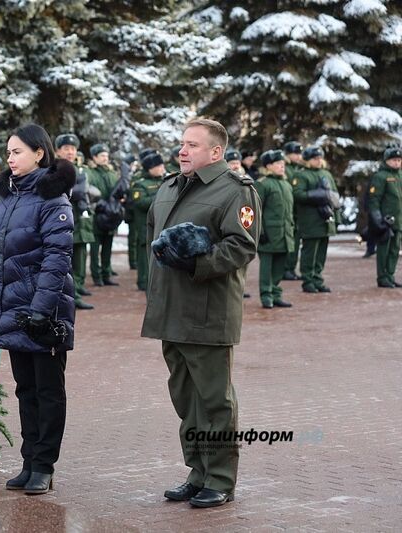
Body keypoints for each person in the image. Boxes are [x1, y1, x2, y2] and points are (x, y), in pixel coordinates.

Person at [141, 118, 260, 508]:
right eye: (182, 143)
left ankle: (220, 479)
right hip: (170, 311)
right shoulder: (168, 188)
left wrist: (196, 262)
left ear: (216, 151)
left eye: (193, 144)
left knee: (214, 402)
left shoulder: (234, 191)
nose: (183, 150)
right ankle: (197, 473)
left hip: (208, 313)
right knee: (186, 401)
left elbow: (240, 247)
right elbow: (151, 246)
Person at [0, 124, 76, 496]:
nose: (10, 159)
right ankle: (28, 460)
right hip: (14, 308)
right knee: (25, 389)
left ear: (39, 153)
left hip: (43, 313)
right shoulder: (11, 197)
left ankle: (44, 466)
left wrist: (41, 310)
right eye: (8, 152)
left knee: (48, 390)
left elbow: (57, 259)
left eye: (17, 151)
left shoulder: (54, 200)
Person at [55, 133, 95, 310]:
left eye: (73, 148)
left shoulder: (81, 169)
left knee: (80, 258)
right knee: (65, 261)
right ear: (58, 151)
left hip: (81, 220)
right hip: (63, 220)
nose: (70, 152)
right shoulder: (54, 168)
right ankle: (70, 296)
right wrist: (75, 191)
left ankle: (77, 291)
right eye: (66, 148)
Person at [291, 146, 339, 293]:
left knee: (321, 253)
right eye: (314, 159)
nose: (318, 161)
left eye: (319, 158)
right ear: (307, 160)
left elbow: (334, 195)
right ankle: (308, 280)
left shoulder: (326, 174)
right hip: (310, 220)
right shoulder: (302, 175)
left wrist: (337, 217)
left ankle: (317, 278)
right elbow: (297, 194)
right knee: (309, 252)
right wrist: (317, 195)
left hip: (326, 219)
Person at [255, 150, 294, 308]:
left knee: (279, 267)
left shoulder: (286, 184)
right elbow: (256, 210)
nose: (282, 166)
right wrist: (260, 232)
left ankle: (276, 294)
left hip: (284, 234)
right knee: (266, 268)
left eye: (283, 164)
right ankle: (266, 295)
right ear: (268, 166)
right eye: (278, 164)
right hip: (269, 234)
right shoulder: (262, 184)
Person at [128, 152, 165, 291]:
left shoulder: (165, 181)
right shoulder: (140, 183)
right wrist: (161, 197)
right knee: (144, 255)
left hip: (162, 225)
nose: (162, 168)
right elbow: (141, 202)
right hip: (145, 226)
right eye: (159, 166)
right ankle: (143, 281)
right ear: (150, 168)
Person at [366, 146, 402, 288]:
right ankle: (382, 277)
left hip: (399, 220)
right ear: (387, 161)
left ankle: (390, 275)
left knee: (394, 250)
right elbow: (374, 199)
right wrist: (377, 218)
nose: (397, 163)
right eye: (394, 160)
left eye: (399, 160)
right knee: (384, 250)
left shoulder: (400, 176)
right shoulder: (380, 177)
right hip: (386, 221)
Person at [86, 143, 121, 286]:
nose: (105, 158)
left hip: (111, 215)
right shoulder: (90, 173)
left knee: (108, 246)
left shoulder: (112, 173)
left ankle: (107, 273)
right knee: (95, 248)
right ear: (94, 157)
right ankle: (96, 275)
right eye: (102, 156)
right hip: (96, 215)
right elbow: (88, 191)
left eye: (106, 156)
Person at [282, 141, 304, 280]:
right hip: (289, 211)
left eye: (299, 153)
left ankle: (291, 268)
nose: (298, 156)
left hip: (297, 211)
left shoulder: (298, 168)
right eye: (295, 153)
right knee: (289, 242)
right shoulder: (286, 169)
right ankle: (286, 268)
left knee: (296, 242)